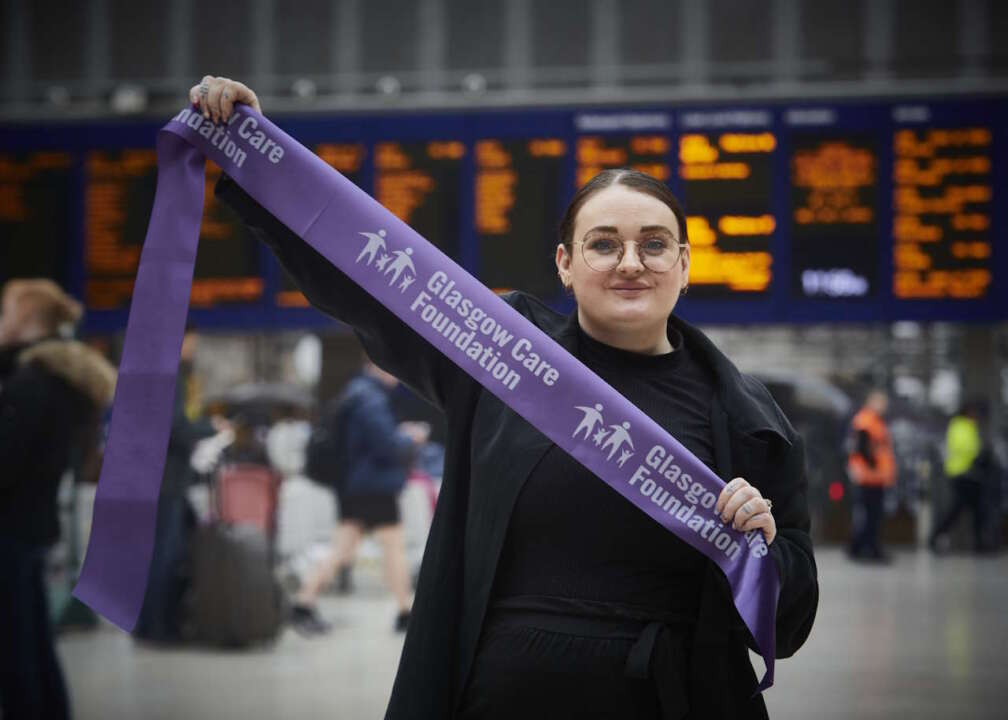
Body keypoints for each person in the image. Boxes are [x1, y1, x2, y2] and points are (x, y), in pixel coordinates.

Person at [191, 77, 818, 719]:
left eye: (654, 245)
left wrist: (761, 547)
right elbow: (365, 284)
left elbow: (788, 622)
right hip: (502, 698)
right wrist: (256, 156)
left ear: (684, 266)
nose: (631, 262)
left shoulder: (750, 422)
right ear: (565, 265)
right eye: (603, 244)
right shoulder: (503, 353)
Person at [0, 279, 116, 720]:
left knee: (17, 659)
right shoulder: (62, 381)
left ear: (28, 319)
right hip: (33, 527)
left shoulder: (30, 384)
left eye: (6, 312)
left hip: (9, 530)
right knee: (33, 646)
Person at [293, 355, 429, 636]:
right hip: (374, 486)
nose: (397, 375)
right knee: (392, 546)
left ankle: (304, 602)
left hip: (357, 485)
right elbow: (386, 446)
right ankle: (405, 612)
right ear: (375, 366)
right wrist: (411, 438)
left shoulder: (357, 393)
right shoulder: (370, 400)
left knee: (345, 549)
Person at [929, 400, 993, 553]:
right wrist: (977, 456)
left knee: (975, 509)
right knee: (959, 509)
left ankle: (979, 543)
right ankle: (935, 536)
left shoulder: (970, 427)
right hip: (961, 472)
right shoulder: (959, 425)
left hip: (971, 473)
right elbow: (961, 447)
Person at [846, 390, 896, 563]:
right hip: (869, 477)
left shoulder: (875, 421)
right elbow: (863, 447)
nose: (884, 406)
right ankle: (870, 548)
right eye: (881, 402)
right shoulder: (866, 420)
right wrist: (873, 465)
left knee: (870, 515)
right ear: (871, 401)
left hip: (875, 477)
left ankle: (859, 547)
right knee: (871, 515)